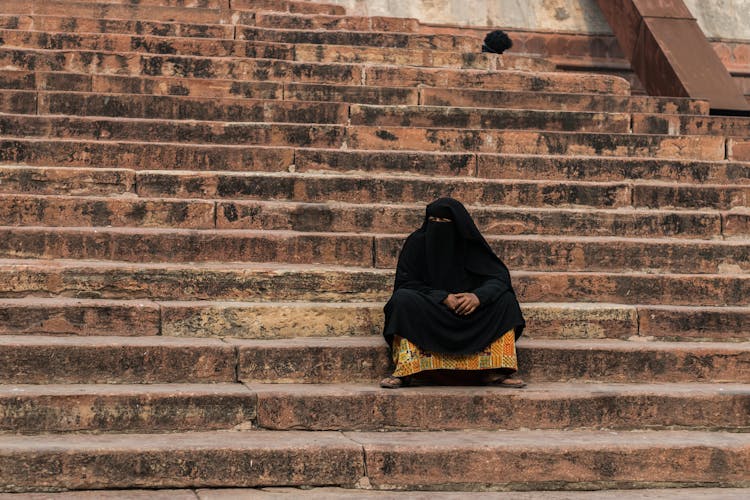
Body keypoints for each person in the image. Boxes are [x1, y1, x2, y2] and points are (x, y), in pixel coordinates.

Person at [380, 197, 526, 389]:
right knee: (402, 301)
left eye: (445, 222)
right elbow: (406, 283)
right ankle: (406, 370)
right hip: (433, 308)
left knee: (506, 301)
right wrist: (442, 297)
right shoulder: (417, 243)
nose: (439, 227)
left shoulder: (471, 245)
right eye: (434, 221)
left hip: (471, 311)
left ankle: (493, 370)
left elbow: (499, 278)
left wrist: (478, 297)